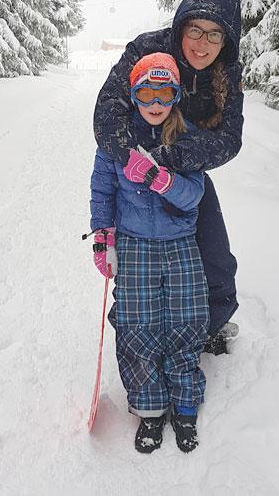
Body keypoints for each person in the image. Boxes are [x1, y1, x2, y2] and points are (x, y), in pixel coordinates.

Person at [94, 0, 243, 355]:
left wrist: (170, 158)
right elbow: (107, 112)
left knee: (215, 258)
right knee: (135, 258)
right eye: (195, 29)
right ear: (181, 27)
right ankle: (132, 322)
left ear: (226, 41)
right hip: (133, 168)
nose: (202, 42)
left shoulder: (227, 72)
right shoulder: (147, 49)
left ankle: (207, 326)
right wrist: (134, 160)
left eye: (214, 34)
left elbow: (229, 140)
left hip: (186, 171)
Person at [90, 52, 208, 453]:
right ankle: (151, 409)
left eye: (165, 92)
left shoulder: (187, 137)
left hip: (180, 244)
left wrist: (161, 178)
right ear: (135, 94)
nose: (155, 102)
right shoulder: (116, 139)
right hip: (136, 244)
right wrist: (103, 236)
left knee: (187, 320)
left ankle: (186, 404)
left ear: (176, 95)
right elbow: (102, 189)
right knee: (138, 325)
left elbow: (195, 196)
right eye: (146, 92)